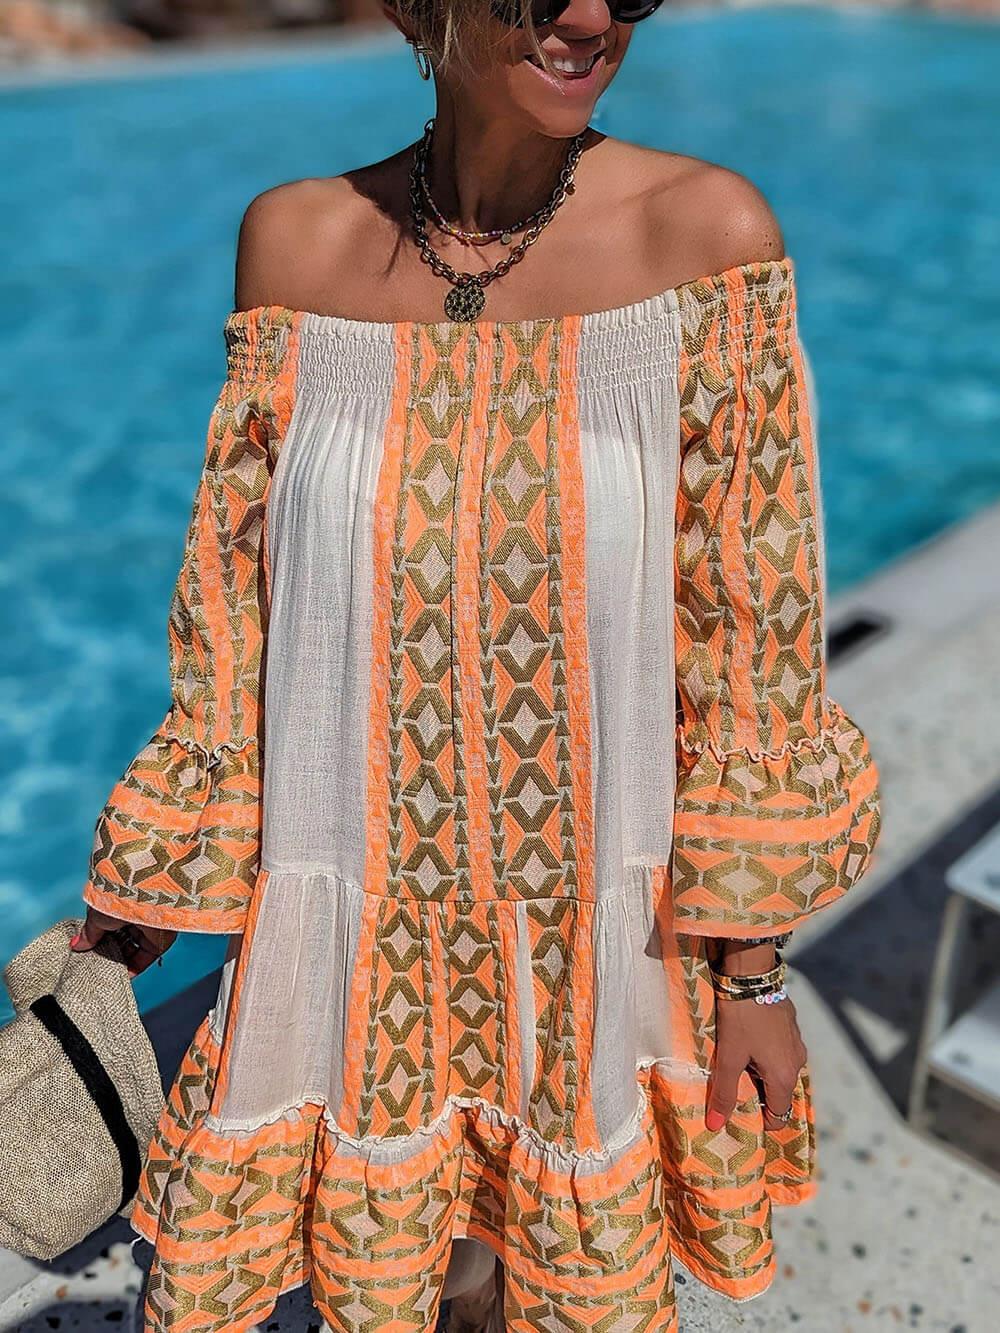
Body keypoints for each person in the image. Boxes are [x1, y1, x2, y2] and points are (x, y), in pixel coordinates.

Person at [69, 0, 882, 1329]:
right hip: (351, 938)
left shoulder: (705, 239)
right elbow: (235, 620)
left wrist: (753, 971)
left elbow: (751, 641)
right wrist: (154, 885)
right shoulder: (292, 246)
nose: (589, 15)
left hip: (596, 947)